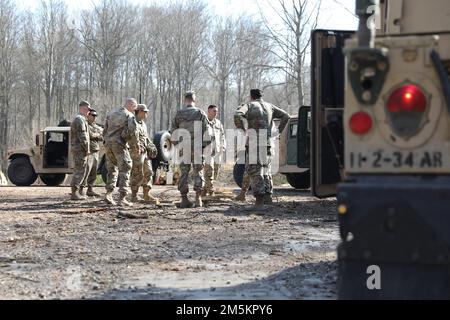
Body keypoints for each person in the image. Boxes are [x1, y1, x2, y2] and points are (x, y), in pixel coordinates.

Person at [234, 89, 290, 209]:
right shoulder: (270, 106)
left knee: (255, 171)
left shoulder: (249, 105)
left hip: (255, 143)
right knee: (266, 170)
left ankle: (259, 202)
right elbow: (286, 116)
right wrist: (278, 132)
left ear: (251, 96)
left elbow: (237, 115)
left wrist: (242, 130)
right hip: (269, 144)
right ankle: (268, 198)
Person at [171, 91, 210, 208]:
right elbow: (208, 133)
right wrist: (203, 146)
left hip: (184, 147)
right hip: (197, 147)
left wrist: (178, 145)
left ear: (185, 100)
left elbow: (172, 132)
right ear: (194, 100)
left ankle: (184, 199)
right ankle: (198, 199)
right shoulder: (200, 113)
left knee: (184, 173)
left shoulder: (179, 114)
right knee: (198, 171)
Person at [103, 98, 138, 207]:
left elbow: (104, 130)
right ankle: (122, 198)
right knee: (126, 167)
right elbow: (132, 132)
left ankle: (108, 194)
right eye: (134, 108)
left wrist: (106, 141)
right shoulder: (129, 115)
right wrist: (135, 147)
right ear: (131, 105)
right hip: (119, 145)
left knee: (112, 169)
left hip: (108, 145)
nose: (134, 110)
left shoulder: (111, 113)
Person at [129, 104, 160, 204]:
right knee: (137, 174)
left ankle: (146, 194)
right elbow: (132, 138)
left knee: (149, 172)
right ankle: (134, 195)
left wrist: (151, 145)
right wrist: (136, 149)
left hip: (144, 152)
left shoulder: (143, 124)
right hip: (136, 152)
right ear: (140, 112)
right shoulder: (133, 122)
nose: (147, 113)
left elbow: (145, 138)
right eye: (145, 112)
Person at [70, 101, 92, 201]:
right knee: (79, 171)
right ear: (82, 109)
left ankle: (77, 192)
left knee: (82, 170)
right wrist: (87, 149)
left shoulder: (82, 119)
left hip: (80, 149)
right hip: (80, 150)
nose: (88, 112)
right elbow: (83, 137)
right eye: (87, 109)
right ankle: (74, 193)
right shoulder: (79, 120)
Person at [203, 105, 226, 196]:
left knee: (216, 172)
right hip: (207, 151)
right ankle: (211, 191)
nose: (216, 113)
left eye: (216, 111)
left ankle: (204, 190)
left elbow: (223, 136)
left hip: (217, 151)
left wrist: (223, 146)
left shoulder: (218, 123)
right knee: (209, 171)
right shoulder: (204, 122)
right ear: (208, 111)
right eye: (214, 111)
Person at [80, 109, 103, 198]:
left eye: (95, 116)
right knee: (86, 171)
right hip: (88, 151)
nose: (94, 117)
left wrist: (97, 135)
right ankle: (81, 189)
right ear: (88, 115)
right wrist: (97, 134)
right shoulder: (85, 125)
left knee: (94, 171)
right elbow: (90, 135)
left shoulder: (95, 126)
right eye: (92, 115)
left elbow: (102, 136)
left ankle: (90, 189)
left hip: (96, 151)